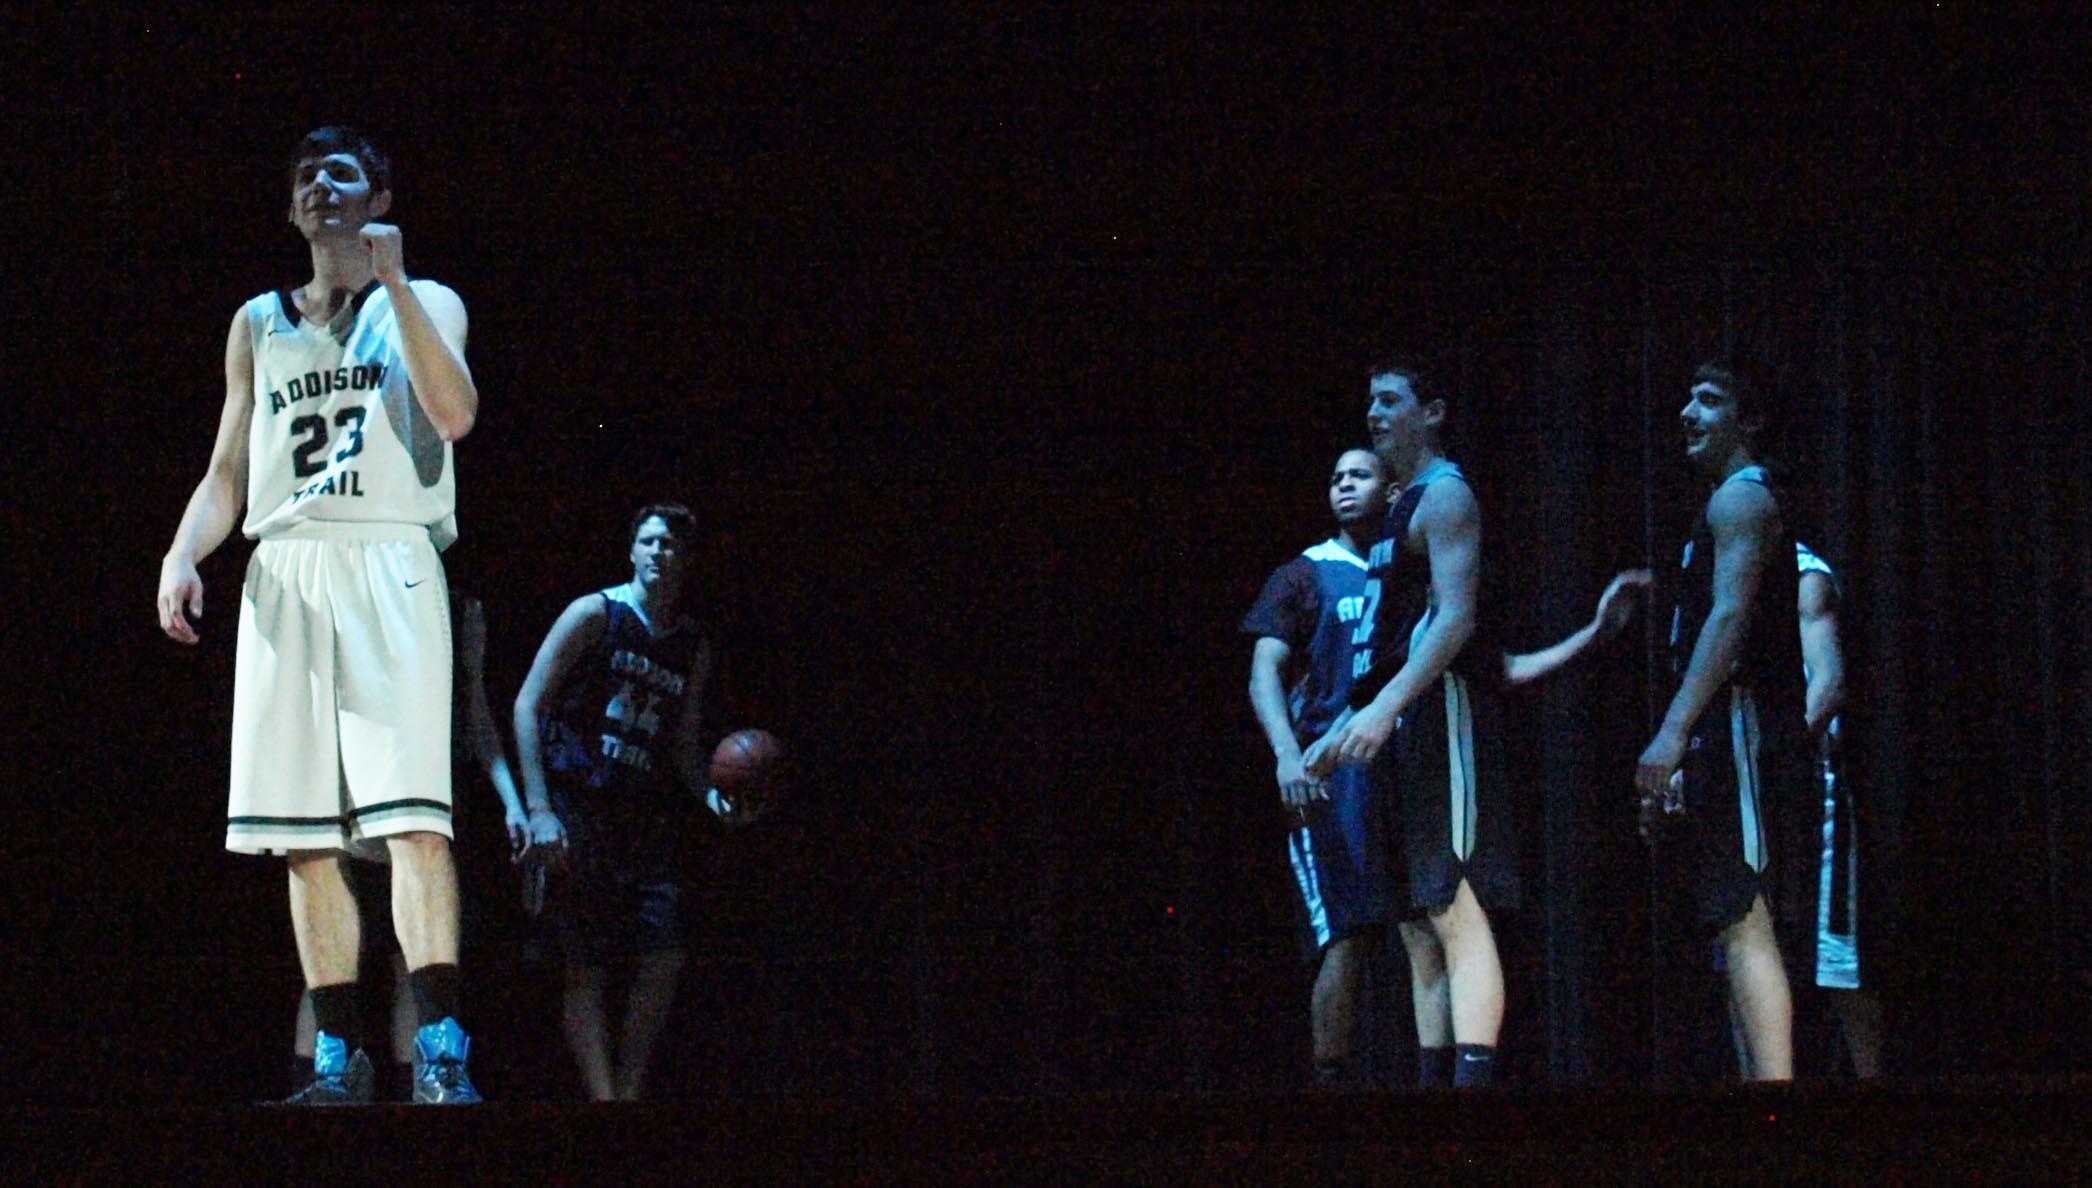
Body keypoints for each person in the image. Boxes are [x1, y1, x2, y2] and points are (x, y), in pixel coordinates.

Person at [155, 125, 481, 1104]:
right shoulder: (256, 322)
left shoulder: (426, 301)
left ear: (379, 200)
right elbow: (227, 470)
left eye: (341, 172)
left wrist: (395, 284)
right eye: (305, 175)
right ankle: (337, 1059)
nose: (319, 185)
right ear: (291, 209)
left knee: (413, 821)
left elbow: (455, 414)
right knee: (302, 834)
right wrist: (181, 553)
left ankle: (442, 1053)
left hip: (389, 556)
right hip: (286, 570)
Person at [1304, 357, 1516, 1089]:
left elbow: (1455, 620)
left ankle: (1473, 1088)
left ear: (1433, 412)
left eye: (1390, 400)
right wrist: (1339, 733)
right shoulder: (1399, 510)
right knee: (1418, 924)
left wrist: (1387, 709)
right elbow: (1389, 645)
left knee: (1454, 902)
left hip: (1439, 714)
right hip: (1399, 723)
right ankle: (1433, 1085)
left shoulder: (1446, 494)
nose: (1374, 412)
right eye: (1370, 400)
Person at [1634, 361, 1815, 1082]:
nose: (1687, 412)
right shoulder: (1723, 503)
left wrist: (1673, 733)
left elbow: (1731, 616)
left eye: (1709, 400)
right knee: (1731, 919)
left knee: (1745, 913)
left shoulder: (1742, 498)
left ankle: (1774, 1105)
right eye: (1688, 396)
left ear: (1751, 420)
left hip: (1744, 721)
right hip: (1725, 728)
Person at [513, 502, 727, 1101]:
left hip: (644, 814)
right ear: (631, 550)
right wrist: (539, 808)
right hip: (580, 806)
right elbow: (528, 704)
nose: (660, 552)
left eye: (672, 544)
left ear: (687, 559)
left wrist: (713, 796)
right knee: (584, 963)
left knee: (665, 952)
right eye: (650, 541)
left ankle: (629, 1088)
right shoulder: (595, 613)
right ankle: (604, 1097)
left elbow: (683, 744)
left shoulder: (691, 644)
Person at [285, 584, 528, 1098]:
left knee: (412, 958)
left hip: (426, 796)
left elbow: (475, 707)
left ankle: (424, 1085)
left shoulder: (460, 607)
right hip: (357, 795)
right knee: (331, 958)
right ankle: (323, 1081)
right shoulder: (345, 585)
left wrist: (511, 798)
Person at [1242, 447, 1395, 1088]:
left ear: (1392, 489)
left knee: (1427, 929)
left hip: (1401, 774)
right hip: (1330, 783)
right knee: (1346, 934)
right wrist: (1286, 756)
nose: (1344, 486)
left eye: (1359, 475)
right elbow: (1264, 672)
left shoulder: (1408, 569)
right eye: (1335, 478)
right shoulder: (1305, 574)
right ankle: (1329, 1085)